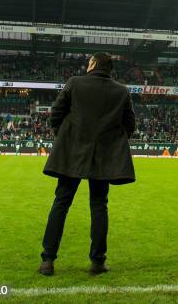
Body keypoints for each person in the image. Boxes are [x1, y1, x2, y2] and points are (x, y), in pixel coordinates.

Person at [39, 52, 136, 277]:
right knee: (99, 205)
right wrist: (111, 144)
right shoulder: (121, 91)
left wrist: (66, 136)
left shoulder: (75, 83)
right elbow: (129, 125)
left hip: (72, 153)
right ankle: (97, 262)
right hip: (103, 157)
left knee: (61, 203)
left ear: (93, 64)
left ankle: (48, 261)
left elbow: (56, 114)